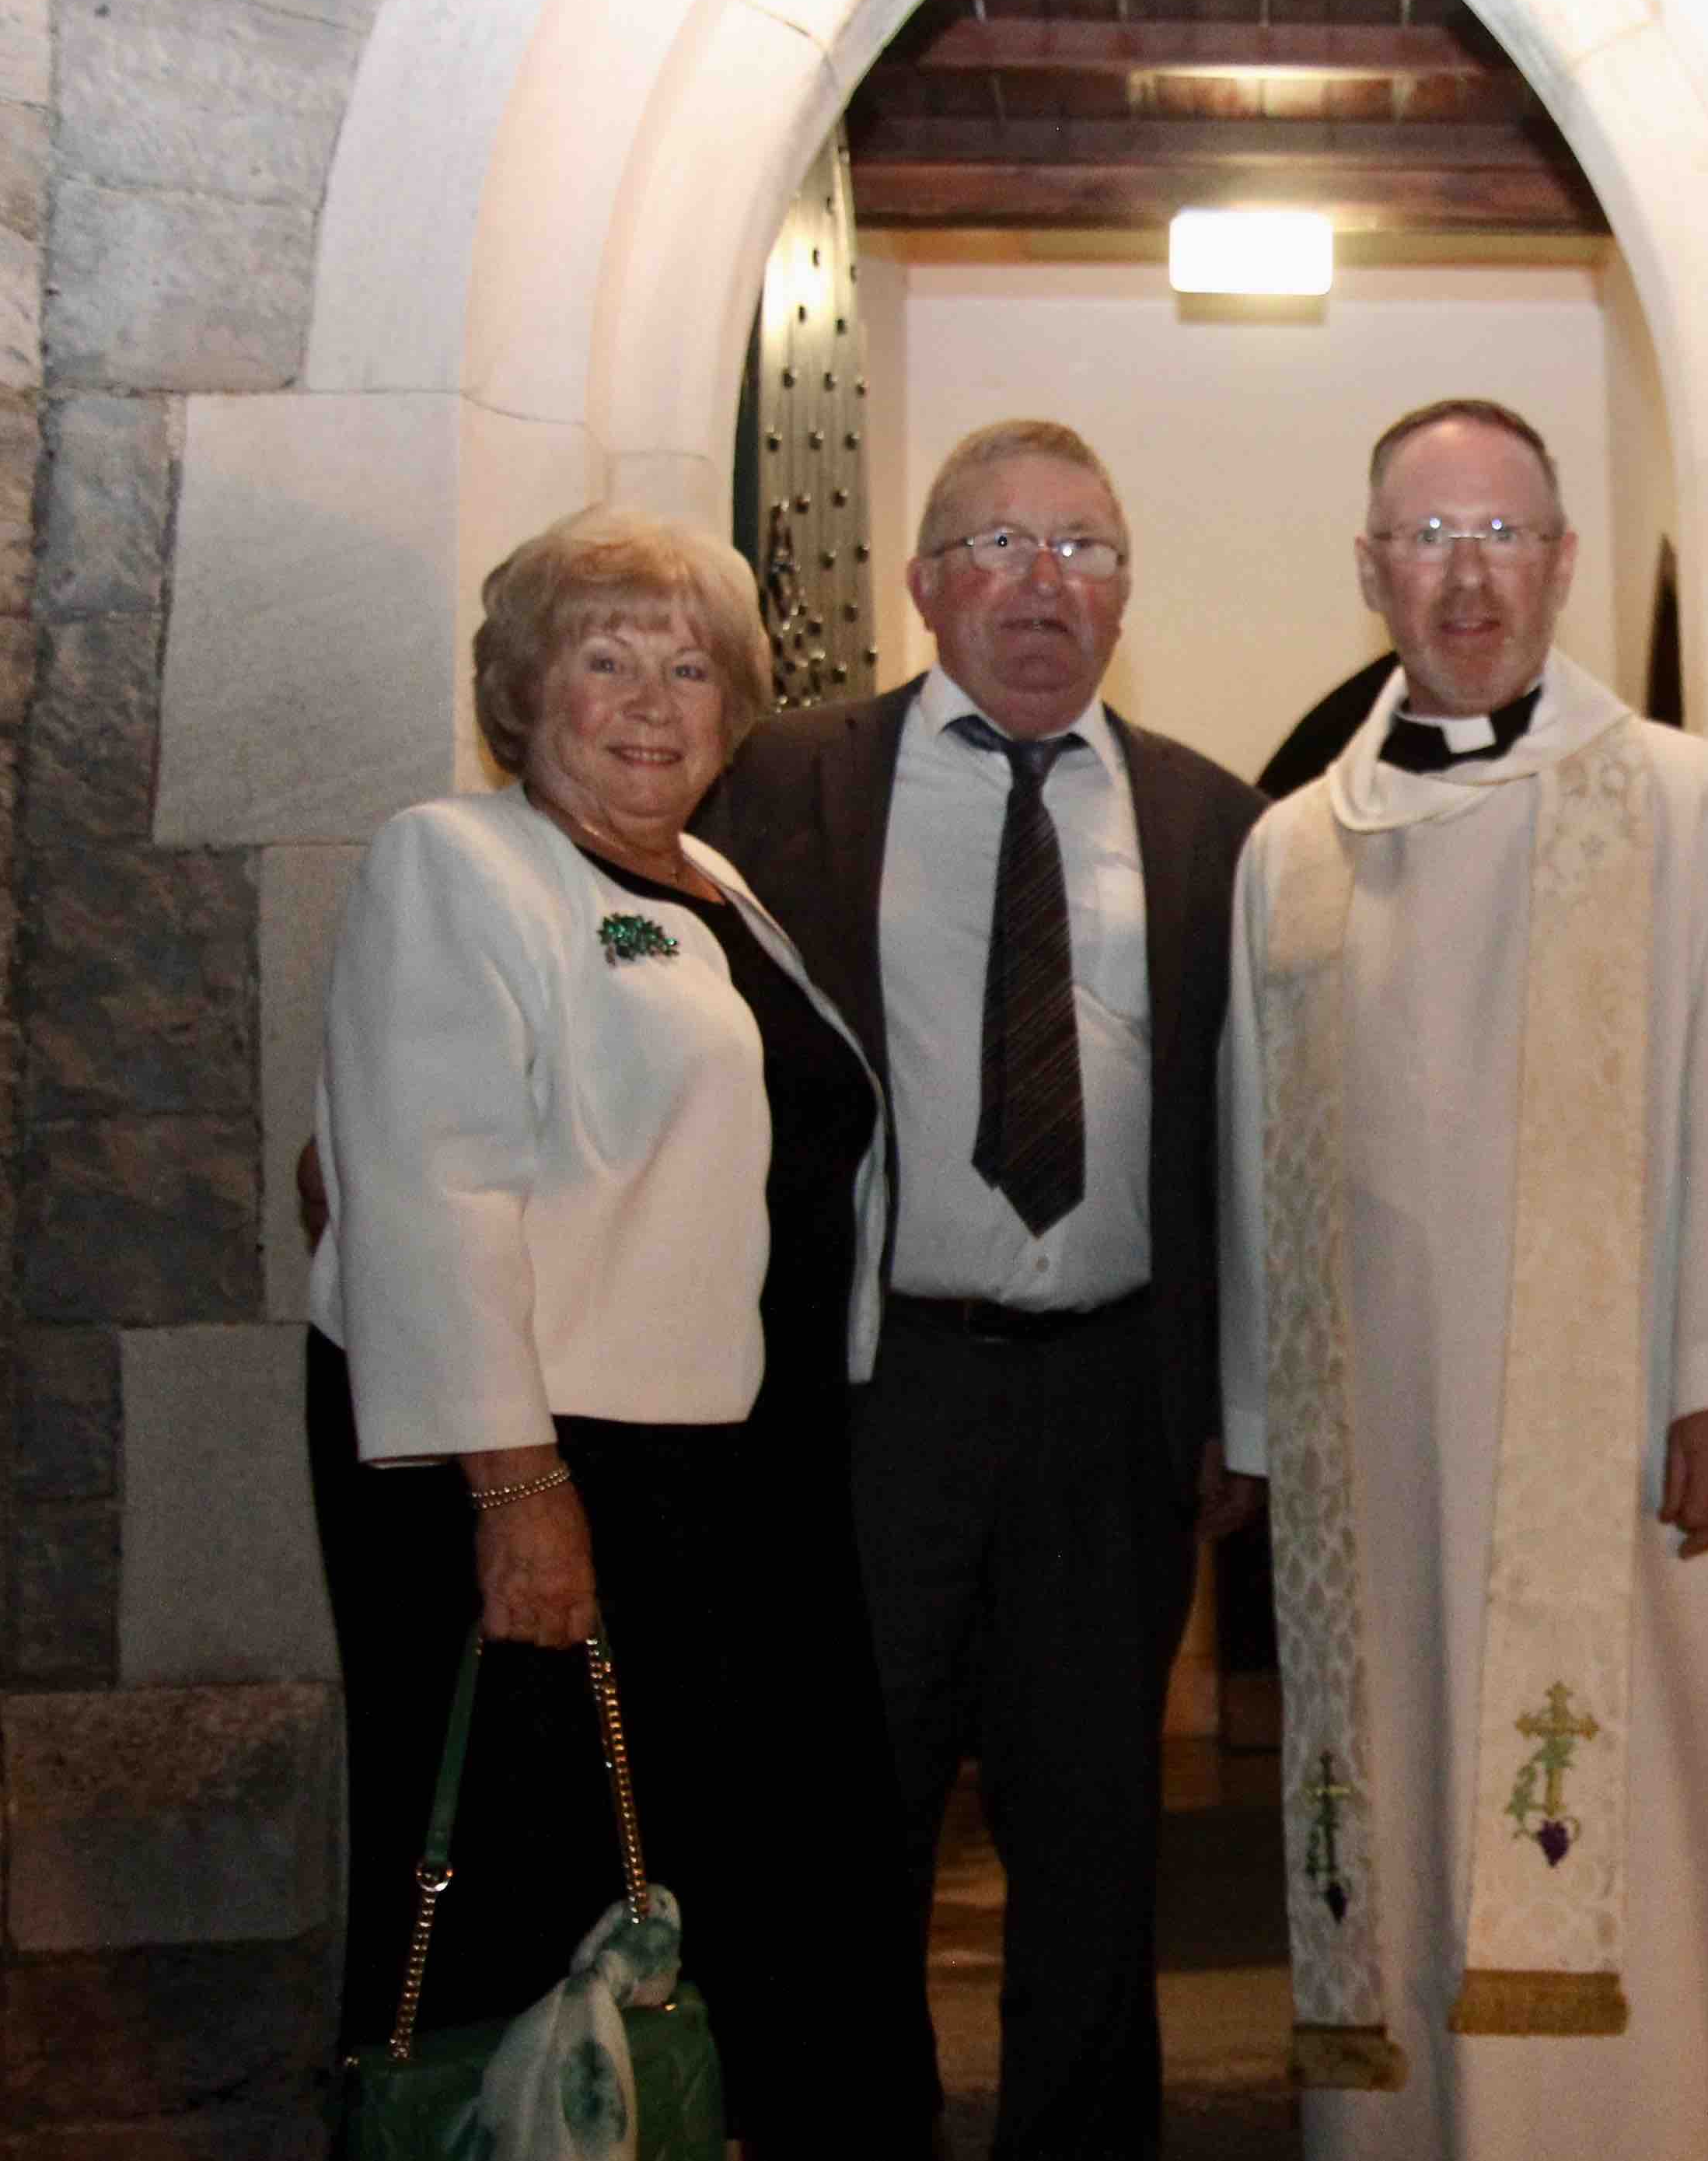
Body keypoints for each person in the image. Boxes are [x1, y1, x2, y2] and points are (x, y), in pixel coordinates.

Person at [1218, 397, 1708, 2160]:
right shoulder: (1292, 850)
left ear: (1563, 560)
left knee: (1641, 1831)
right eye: (1428, 538)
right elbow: (1258, 1166)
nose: (1467, 573)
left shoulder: (1675, 798)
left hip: (1622, 1444)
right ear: (1372, 571)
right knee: (1410, 1830)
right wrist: (1261, 1425)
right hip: (1391, 1467)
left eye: (1502, 532)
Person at [303, 505, 917, 2154]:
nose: (651, 700)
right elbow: (430, 1186)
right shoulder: (459, 861)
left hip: (729, 1470)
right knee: (541, 1894)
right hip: (554, 1466)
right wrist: (519, 1491)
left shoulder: (715, 882)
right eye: (605, 660)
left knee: (712, 1891)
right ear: (525, 689)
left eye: (688, 666)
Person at [691, 421, 1264, 2159]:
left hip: (1112, 1403)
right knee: (843, 1825)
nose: (1044, 583)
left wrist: (1234, 1406)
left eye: (1085, 549)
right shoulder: (781, 785)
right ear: (927, 582)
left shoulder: (1209, 817)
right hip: (878, 1397)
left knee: (1097, 1842)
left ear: (1124, 595)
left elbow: (1252, 1134)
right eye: (1001, 545)